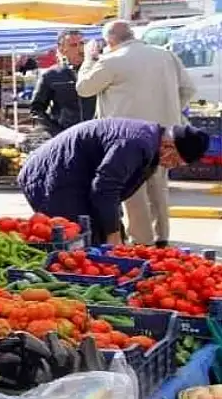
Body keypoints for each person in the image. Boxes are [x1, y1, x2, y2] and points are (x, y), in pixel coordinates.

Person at [76, 20, 196, 247]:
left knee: (134, 189)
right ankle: (162, 237)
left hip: (128, 136)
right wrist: (171, 110)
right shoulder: (166, 56)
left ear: (110, 41)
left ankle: (142, 242)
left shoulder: (110, 60)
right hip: (165, 134)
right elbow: (188, 89)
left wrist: (89, 58)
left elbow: (84, 88)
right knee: (159, 186)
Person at [18, 118, 209, 246]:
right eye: (175, 161)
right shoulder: (136, 143)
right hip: (52, 177)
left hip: (77, 177)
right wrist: (113, 233)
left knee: (97, 237)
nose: (171, 166)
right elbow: (105, 189)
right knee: (76, 240)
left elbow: (112, 190)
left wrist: (115, 229)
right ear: (168, 146)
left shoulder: (150, 143)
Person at [30, 30, 96, 136]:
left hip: (96, 133)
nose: (80, 49)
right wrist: (55, 131)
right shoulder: (50, 75)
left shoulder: (98, 70)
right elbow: (36, 109)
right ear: (62, 49)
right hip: (66, 134)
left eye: (82, 44)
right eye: (74, 45)